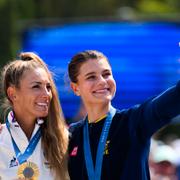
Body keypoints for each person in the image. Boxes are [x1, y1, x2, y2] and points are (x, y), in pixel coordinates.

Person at [67, 50, 180, 180]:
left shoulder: (134, 121)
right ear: (75, 88)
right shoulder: (72, 135)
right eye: (91, 77)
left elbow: (174, 99)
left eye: (106, 74)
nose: (102, 81)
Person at [0, 52, 69, 180]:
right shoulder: (1, 139)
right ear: (12, 94)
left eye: (48, 87)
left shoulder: (64, 138)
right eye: (36, 86)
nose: (46, 94)